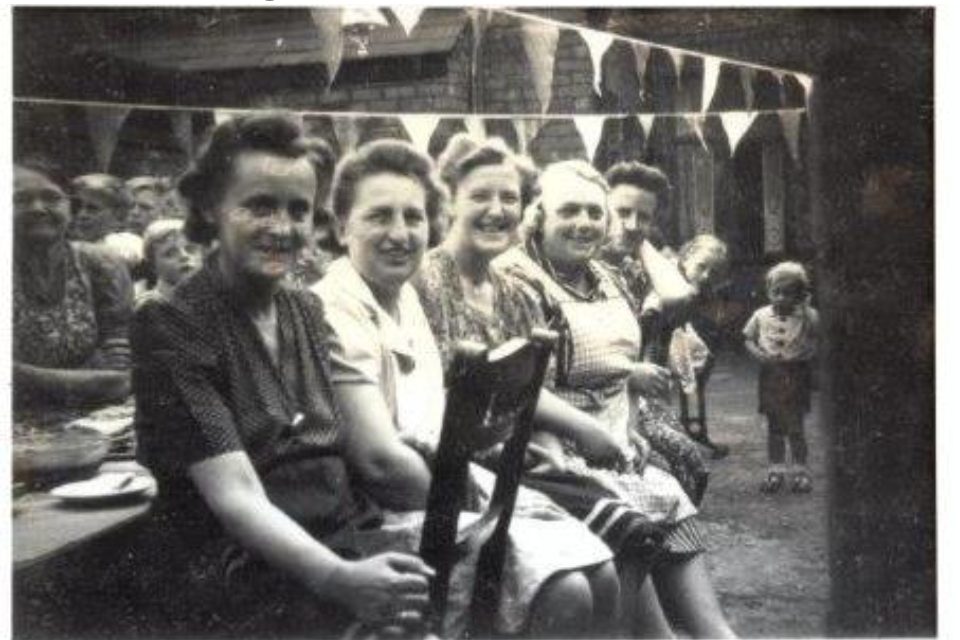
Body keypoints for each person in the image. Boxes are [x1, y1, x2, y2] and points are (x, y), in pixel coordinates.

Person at [133, 113, 439, 637]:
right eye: (259, 206)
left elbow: (323, 438)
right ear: (211, 209)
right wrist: (341, 578)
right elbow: (237, 496)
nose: (282, 227)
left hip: (343, 535)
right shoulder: (172, 323)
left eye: (298, 210)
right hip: (247, 569)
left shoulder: (304, 311)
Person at [312, 139, 620, 639]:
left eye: (413, 217)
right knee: (566, 591)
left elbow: (433, 419)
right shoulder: (333, 306)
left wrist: (495, 462)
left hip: (437, 495)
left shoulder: (402, 297)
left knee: (603, 572)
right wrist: (481, 498)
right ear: (342, 225)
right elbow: (378, 463)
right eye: (379, 217)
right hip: (376, 521)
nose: (399, 234)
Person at [495, 160, 735, 638]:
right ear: (538, 215)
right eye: (568, 211)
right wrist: (588, 438)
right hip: (555, 443)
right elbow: (519, 385)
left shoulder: (608, 275)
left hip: (615, 435)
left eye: (593, 212)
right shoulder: (518, 280)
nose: (584, 223)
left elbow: (627, 362)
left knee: (670, 495)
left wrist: (628, 426)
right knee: (636, 506)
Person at [13, 161, 134, 410]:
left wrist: (21, 374)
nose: (37, 208)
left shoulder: (101, 263)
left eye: (51, 197)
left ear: (72, 207)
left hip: (94, 421)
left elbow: (120, 378)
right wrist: (85, 375)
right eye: (20, 199)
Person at [743, 261, 820, 494]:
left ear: (800, 295)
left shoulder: (806, 316)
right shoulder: (760, 315)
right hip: (770, 375)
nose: (781, 298)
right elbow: (748, 338)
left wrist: (806, 353)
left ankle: (800, 472)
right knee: (775, 426)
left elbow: (817, 337)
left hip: (796, 374)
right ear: (768, 291)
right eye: (776, 292)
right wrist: (759, 355)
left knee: (796, 426)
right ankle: (775, 470)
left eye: (788, 293)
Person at [70, 173, 144, 273]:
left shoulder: (125, 243)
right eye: (77, 207)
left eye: (92, 208)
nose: (82, 215)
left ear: (119, 216)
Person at [135, 218, 202, 305]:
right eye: (170, 253)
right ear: (153, 266)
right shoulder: (149, 307)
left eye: (191, 249)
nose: (184, 256)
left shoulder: (214, 298)